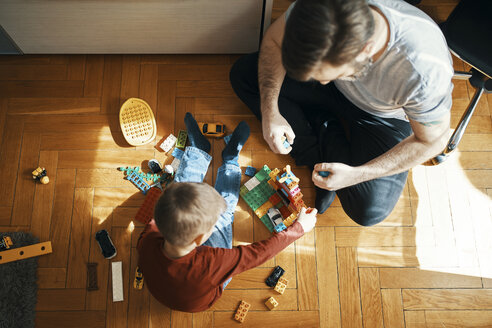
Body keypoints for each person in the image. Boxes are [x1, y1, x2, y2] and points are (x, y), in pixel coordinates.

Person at [229, 0, 453, 226]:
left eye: (332, 73)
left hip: (382, 117)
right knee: (243, 74)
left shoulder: (424, 71)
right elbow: (274, 41)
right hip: (336, 93)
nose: (323, 81)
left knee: (368, 210)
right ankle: (315, 155)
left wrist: (357, 175)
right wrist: (270, 111)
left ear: (366, 48)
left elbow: (432, 141)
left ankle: (319, 123)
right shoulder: (317, 10)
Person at [137, 113, 318, 312]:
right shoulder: (213, 263)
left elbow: (163, 211)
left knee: (178, 193)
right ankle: (230, 161)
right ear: (200, 240)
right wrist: (299, 228)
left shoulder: (149, 236)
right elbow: (259, 253)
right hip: (204, 297)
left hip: (167, 285)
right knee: (224, 214)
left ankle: (198, 150)